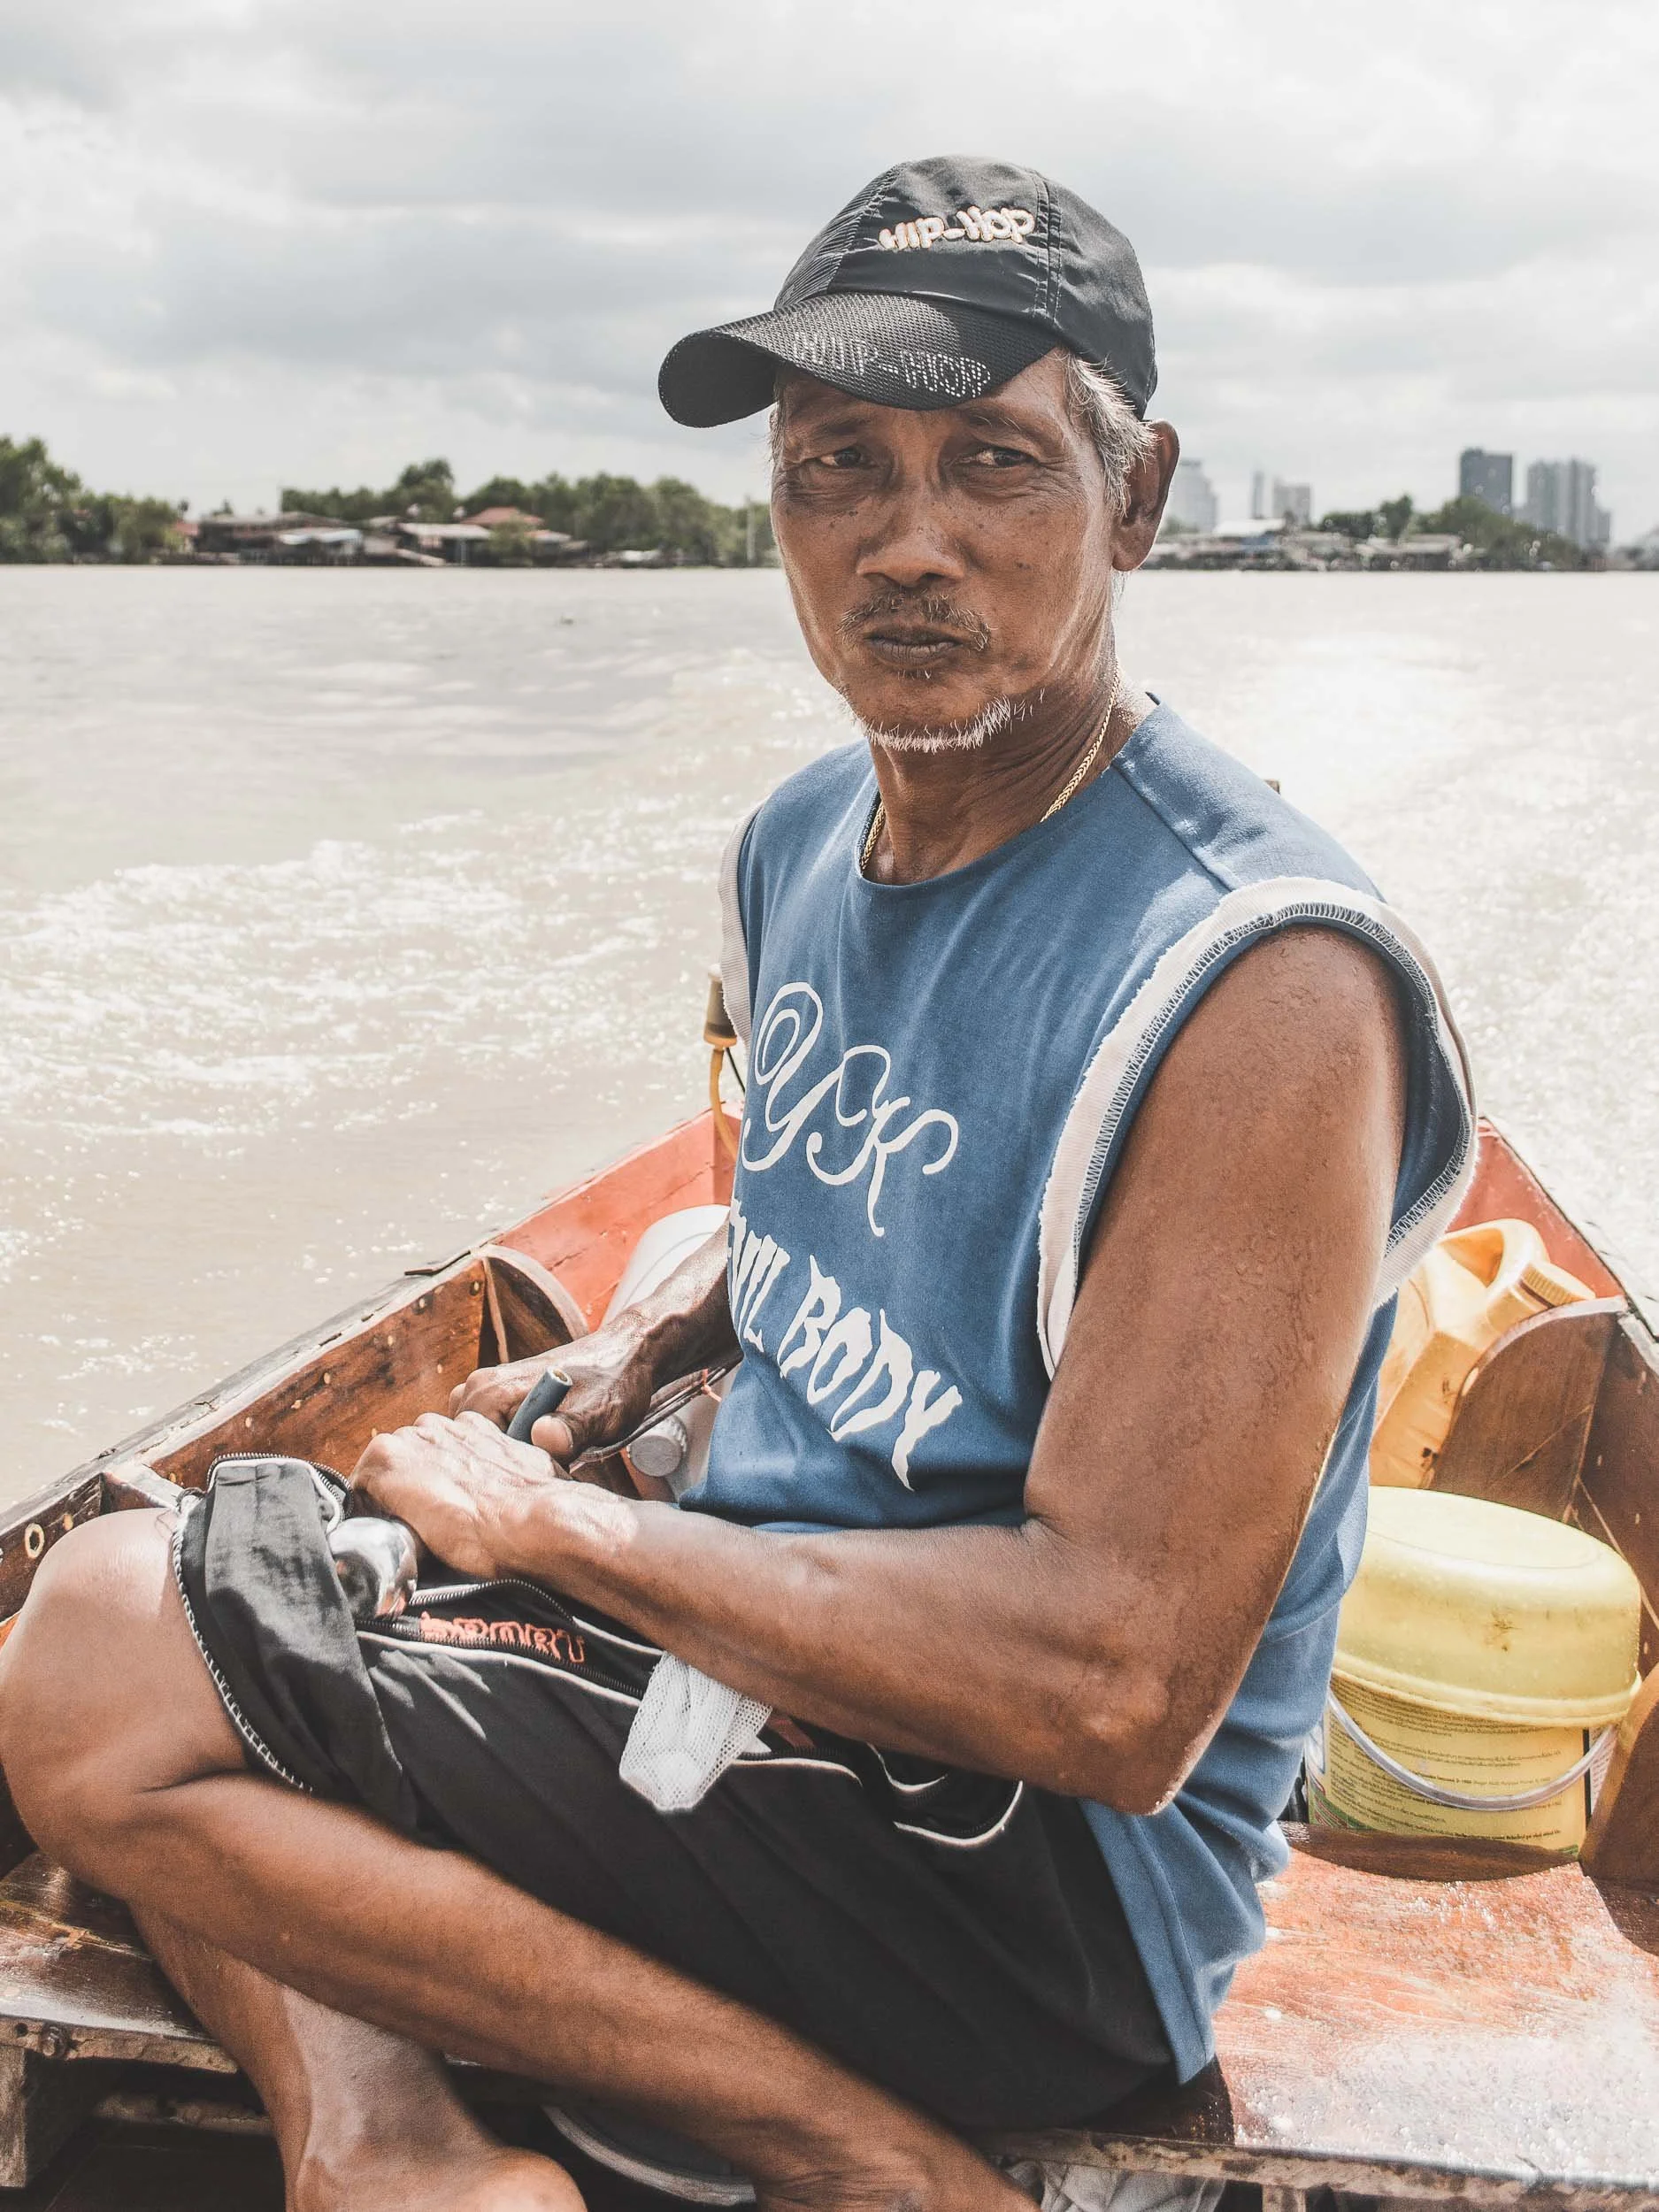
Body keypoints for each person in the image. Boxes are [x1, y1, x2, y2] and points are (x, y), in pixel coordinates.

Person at [0, 156, 1472, 2212]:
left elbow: (1113, 1683)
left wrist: (552, 1539)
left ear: (1134, 504)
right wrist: (653, 1345)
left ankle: (853, 2156)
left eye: (994, 466)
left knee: (93, 1651)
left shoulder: (1255, 990)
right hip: (780, 1660)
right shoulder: (801, 846)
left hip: (1027, 1864)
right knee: (194, 1575)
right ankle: (389, 2140)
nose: (908, 542)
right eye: (835, 469)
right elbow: (821, 1221)